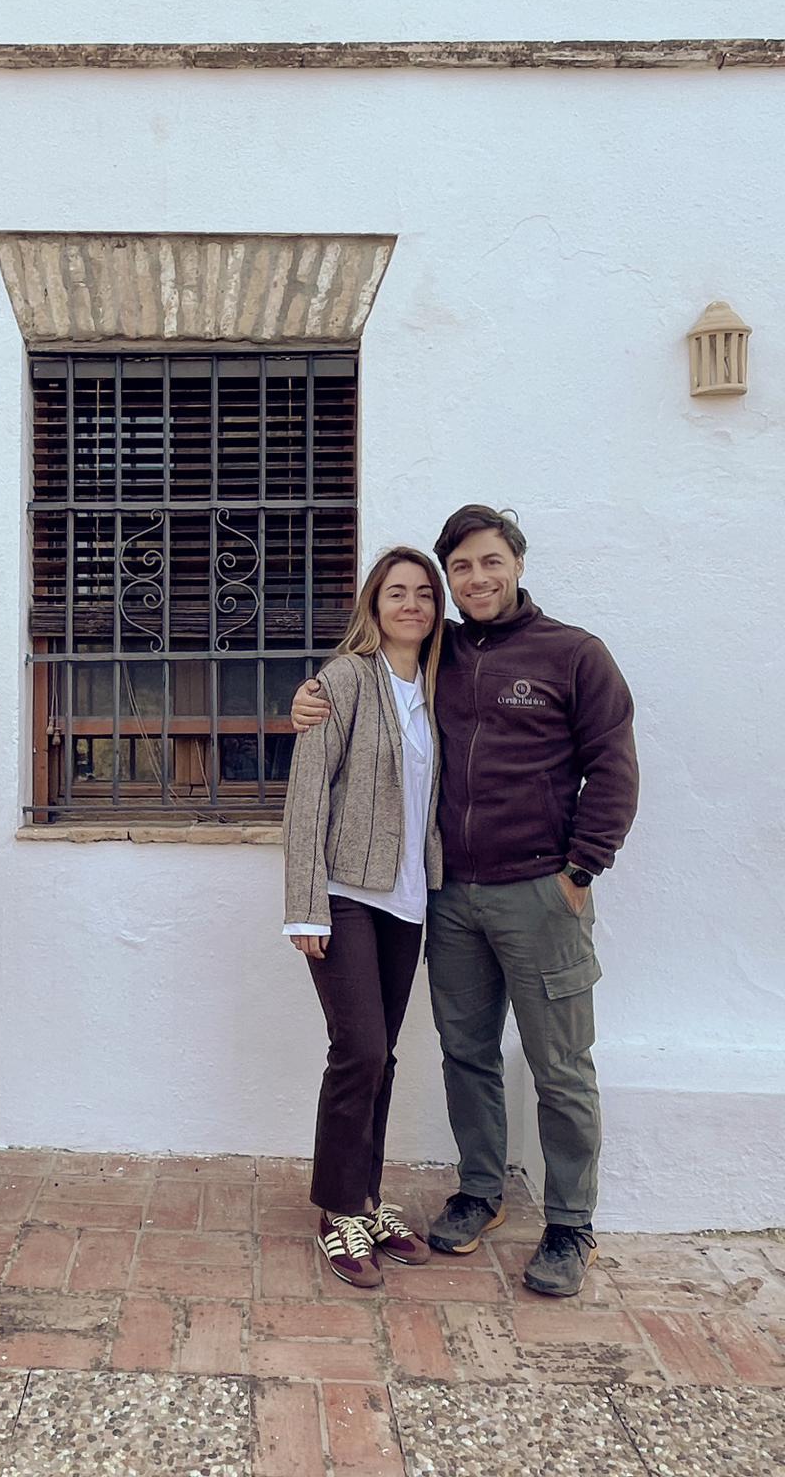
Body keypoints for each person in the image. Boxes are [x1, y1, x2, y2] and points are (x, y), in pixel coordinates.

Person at [292, 505, 638, 1296]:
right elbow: (358, 696)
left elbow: (614, 766)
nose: (475, 579)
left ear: (516, 563)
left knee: (560, 1066)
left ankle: (569, 1224)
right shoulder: (434, 654)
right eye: (462, 569)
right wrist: (308, 699)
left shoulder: (573, 655)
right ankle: (478, 1192)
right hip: (447, 899)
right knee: (466, 1056)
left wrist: (581, 869)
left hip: (540, 896)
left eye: (490, 562)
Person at [283, 546, 447, 1288]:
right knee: (358, 1049)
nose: (410, 604)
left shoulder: (439, 688)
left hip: (408, 900)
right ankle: (339, 1210)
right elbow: (307, 794)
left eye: (422, 593)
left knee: (380, 1056)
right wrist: (303, 908)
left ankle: (368, 1195)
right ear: (373, 606)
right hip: (347, 895)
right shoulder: (343, 680)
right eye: (395, 593)